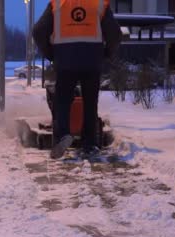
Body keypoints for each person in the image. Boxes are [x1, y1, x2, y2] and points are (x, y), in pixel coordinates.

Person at [33, 0, 122, 159]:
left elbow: (38, 31)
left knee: (63, 100)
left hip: (65, 60)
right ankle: (89, 144)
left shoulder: (57, 3)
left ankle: (63, 136)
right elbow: (115, 33)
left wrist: (51, 55)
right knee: (90, 102)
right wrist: (106, 53)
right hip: (92, 60)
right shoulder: (99, 3)